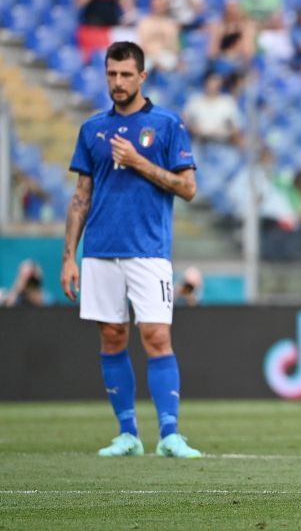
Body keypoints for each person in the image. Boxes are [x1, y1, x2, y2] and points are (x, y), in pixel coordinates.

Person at [60, 42, 201, 459]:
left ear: (142, 77)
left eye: (125, 74)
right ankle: (128, 434)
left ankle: (170, 434)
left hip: (149, 251)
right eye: (111, 74)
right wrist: (69, 255)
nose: (117, 82)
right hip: (100, 249)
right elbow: (80, 197)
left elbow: (189, 188)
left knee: (156, 336)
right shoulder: (91, 130)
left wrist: (139, 162)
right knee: (111, 336)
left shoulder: (166, 124)